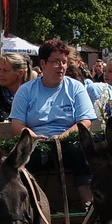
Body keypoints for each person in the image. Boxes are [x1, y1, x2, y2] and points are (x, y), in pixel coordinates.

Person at [10, 38, 97, 211]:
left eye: (64, 62)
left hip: (68, 140)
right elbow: (17, 124)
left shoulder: (75, 88)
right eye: (56, 62)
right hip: (37, 141)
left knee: (82, 155)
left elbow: (85, 121)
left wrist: (63, 136)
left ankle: (89, 208)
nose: (62, 67)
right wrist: (30, 135)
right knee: (25, 162)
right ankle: (28, 209)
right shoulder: (26, 90)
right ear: (42, 64)